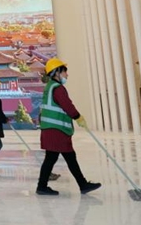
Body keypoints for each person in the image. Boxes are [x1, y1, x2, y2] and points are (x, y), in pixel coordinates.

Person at [36, 58, 101, 196]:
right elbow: (67, 105)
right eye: (65, 71)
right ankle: (81, 185)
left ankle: (44, 186)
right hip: (56, 130)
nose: (67, 74)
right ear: (57, 72)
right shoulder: (58, 88)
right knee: (65, 157)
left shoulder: (49, 87)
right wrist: (78, 117)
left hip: (51, 129)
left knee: (57, 158)